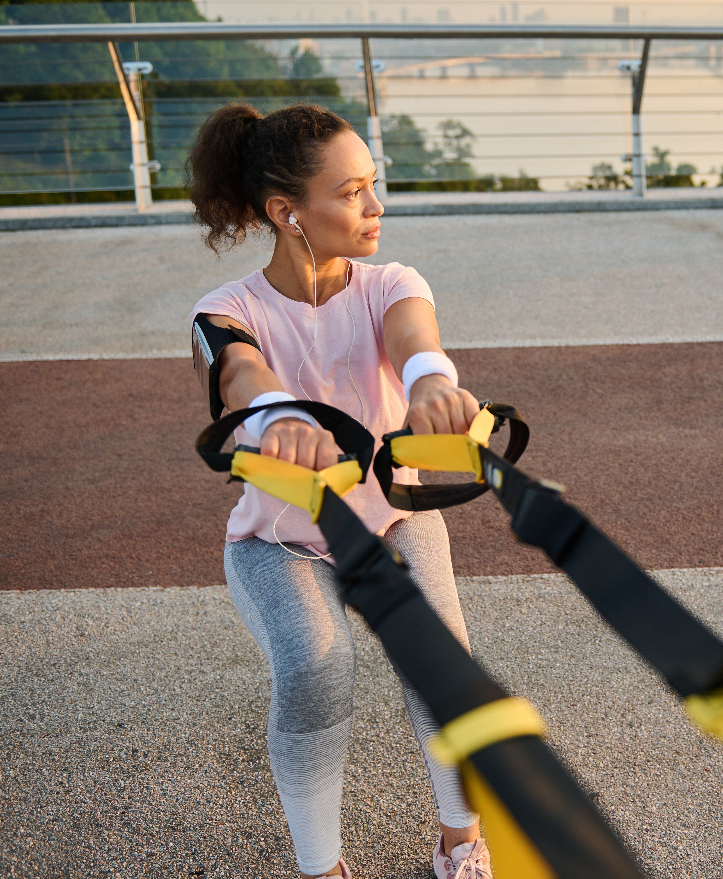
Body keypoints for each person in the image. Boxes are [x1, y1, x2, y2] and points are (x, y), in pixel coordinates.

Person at [186, 102, 491, 879]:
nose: (376, 207)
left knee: (441, 658)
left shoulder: (390, 282)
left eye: (374, 185)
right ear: (288, 213)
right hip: (278, 541)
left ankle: (461, 841)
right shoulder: (224, 311)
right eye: (352, 192)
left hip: (391, 519)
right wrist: (277, 414)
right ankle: (322, 869)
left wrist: (434, 391)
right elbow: (240, 373)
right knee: (318, 669)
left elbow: (417, 341)